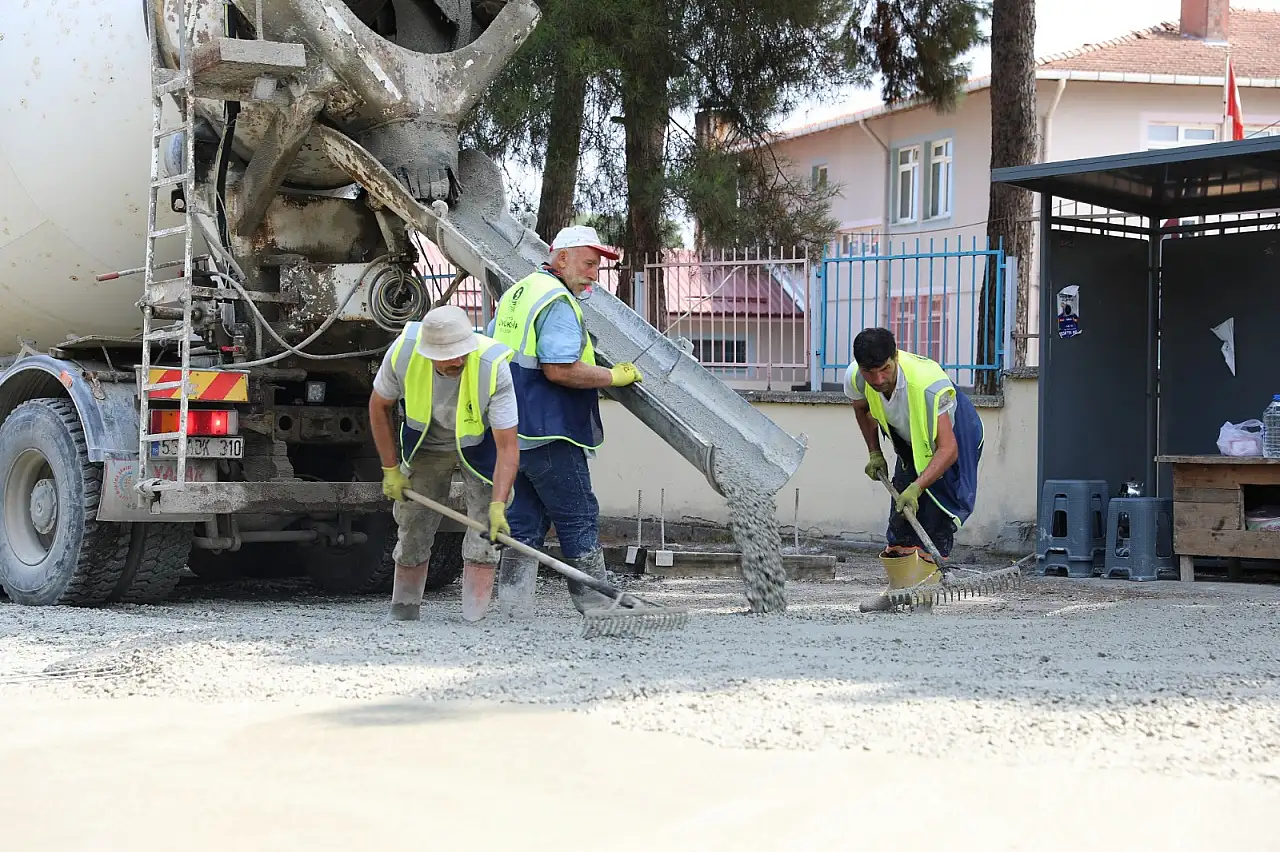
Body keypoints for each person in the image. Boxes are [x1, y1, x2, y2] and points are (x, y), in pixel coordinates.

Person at [486, 225, 643, 617]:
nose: (594, 274)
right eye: (589, 264)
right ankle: (595, 603)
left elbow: (490, 348)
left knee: (526, 521)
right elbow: (559, 369)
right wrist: (613, 377)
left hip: (513, 429)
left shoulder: (519, 293)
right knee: (578, 515)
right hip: (549, 428)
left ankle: (513, 607)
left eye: (597, 267)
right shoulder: (557, 301)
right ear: (562, 258)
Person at [369, 304, 520, 623]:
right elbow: (378, 407)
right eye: (449, 355)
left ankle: (473, 616)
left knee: (485, 531)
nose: (458, 360)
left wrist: (497, 505)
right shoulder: (404, 352)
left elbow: (507, 447)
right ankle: (405, 608)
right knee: (413, 523)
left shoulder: (493, 364)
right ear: (429, 352)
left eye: (462, 352)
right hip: (427, 444)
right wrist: (390, 469)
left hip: (479, 446)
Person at [845, 327, 983, 606]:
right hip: (911, 439)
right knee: (901, 517)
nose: (878, 379)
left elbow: (948, 449)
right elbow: (861, 408)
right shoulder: (857, 378)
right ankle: (896, 593)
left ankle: (925, 597)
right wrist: (875, 453)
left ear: (895, 357)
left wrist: (917, 487)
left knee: (936, 515)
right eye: (870, 372)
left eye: (884, 369)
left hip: (957, 438)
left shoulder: (929, 385)